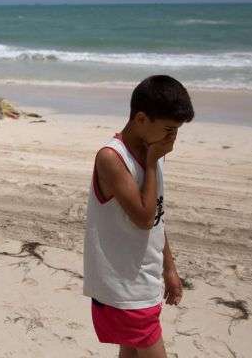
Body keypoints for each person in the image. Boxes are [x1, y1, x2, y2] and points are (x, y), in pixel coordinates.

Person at [83, 75, 195, 358]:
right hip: (123, 287)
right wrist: (153, 160)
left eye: (176, 131)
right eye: (169, 130)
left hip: (144, 280)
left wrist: (169, 269)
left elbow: (157, 217)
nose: (172, 139)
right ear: (142, 119)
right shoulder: (112, 157)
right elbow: (144, 219)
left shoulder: (152, 151)